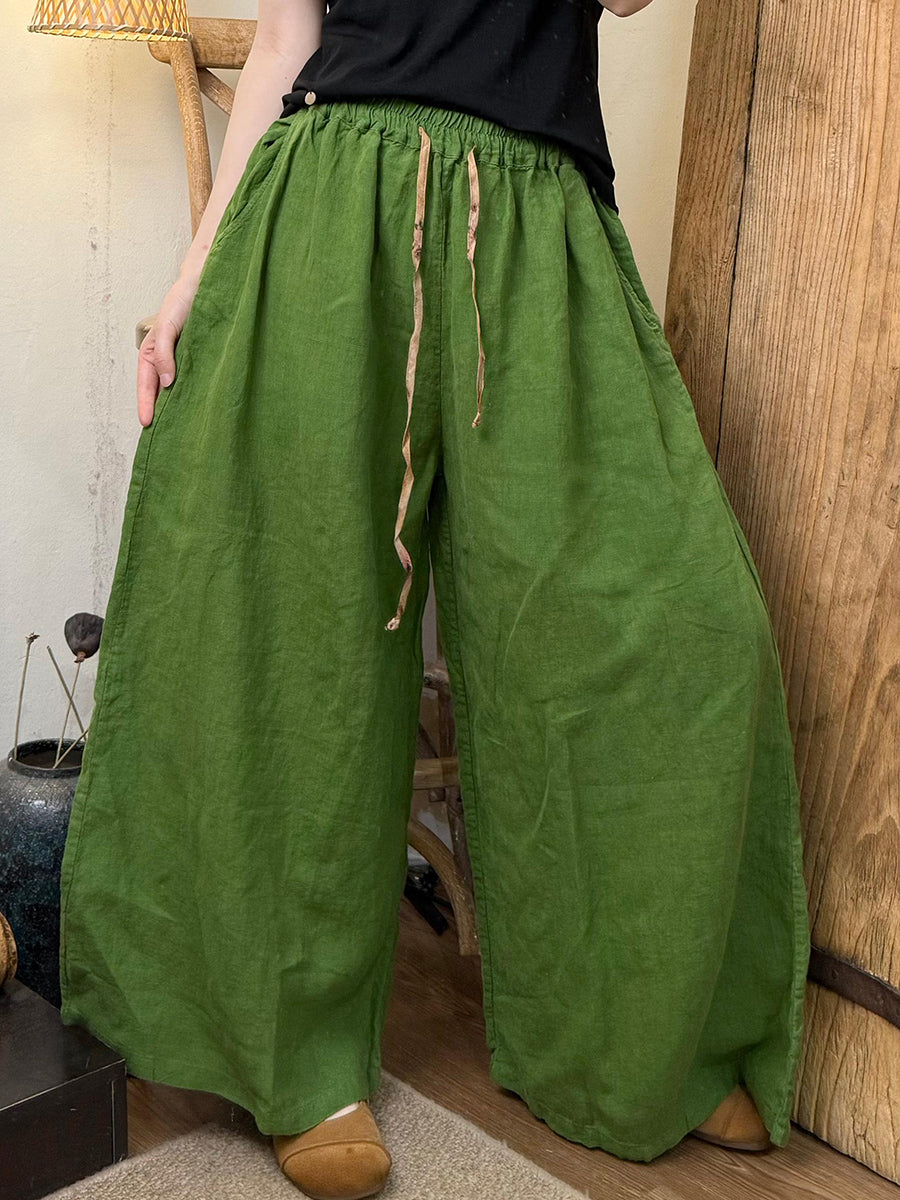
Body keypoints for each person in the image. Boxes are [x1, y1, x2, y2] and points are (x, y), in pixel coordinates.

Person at [57, 0, 812, 1196]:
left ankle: (633, 1037)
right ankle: (298, 1064)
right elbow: (288, 42)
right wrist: (194, 272)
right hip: (330, 206)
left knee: (676, 627)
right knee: (298, 632)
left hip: (543, 221)